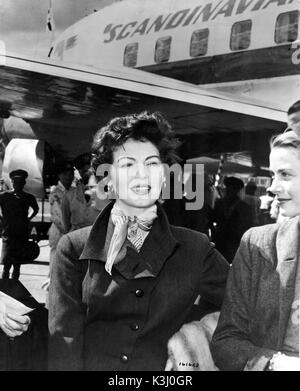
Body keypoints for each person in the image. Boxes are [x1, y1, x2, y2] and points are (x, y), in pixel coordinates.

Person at [49, 111, 229, 371]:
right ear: (108, 177)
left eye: (152, 163)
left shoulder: (195, 248)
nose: (142, 175)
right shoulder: (73, 249)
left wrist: (195, 336)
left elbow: (244, 307)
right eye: (127, 165)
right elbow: (63, 343)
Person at [211, 130, 300, 371]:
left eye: (285, 174)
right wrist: (277, 365)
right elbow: (226, 342)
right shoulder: (257, 246)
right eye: (273, 174)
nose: (272, 187)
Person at [41, 161, 75, 292]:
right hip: (60, 232)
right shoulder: (55, 192)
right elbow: (59, 217)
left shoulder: (73, 191)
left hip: (70, 232)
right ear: (60, 175)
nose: (69, 177)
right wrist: (69, 233)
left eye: (71, 173)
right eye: (66, 174)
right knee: (55, 266)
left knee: (66, 268)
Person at [0, 169, 39, 280]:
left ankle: (15, 284)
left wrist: (28, 218)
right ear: (12, 182)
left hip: (21, 232)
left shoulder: (28, 197)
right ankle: (5, 282)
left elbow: (35, 209)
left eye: (21, 182)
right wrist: (2, 219)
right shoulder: (4, 196)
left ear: (24, 183)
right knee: (7, 261)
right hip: (8, 232)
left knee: (17, 262)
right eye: (15, 182)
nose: (18, 185)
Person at [211, 176, 252, 263]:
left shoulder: (244, 207)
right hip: (221, 241)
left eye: (232, 188)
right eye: (228, 188)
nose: (228, 191)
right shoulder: (219, 203)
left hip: (234, 242)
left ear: (237, 190)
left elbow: (248, 227)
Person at [61, 153, 99, 232]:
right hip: (75, 238)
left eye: (92, 171)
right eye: (85, 171)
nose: (88, 174)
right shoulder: (69, 195)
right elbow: (66, 224)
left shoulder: (105, 194)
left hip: (96, 238)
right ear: (79, 171)